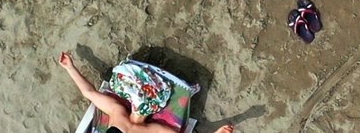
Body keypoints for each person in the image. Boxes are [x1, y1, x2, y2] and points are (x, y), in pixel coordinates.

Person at [58, 52, 236, 133]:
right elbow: (88, 93)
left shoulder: (117, 114)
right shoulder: (122, 117)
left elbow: (88, 92)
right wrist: (69, 67)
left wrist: (70, 68)